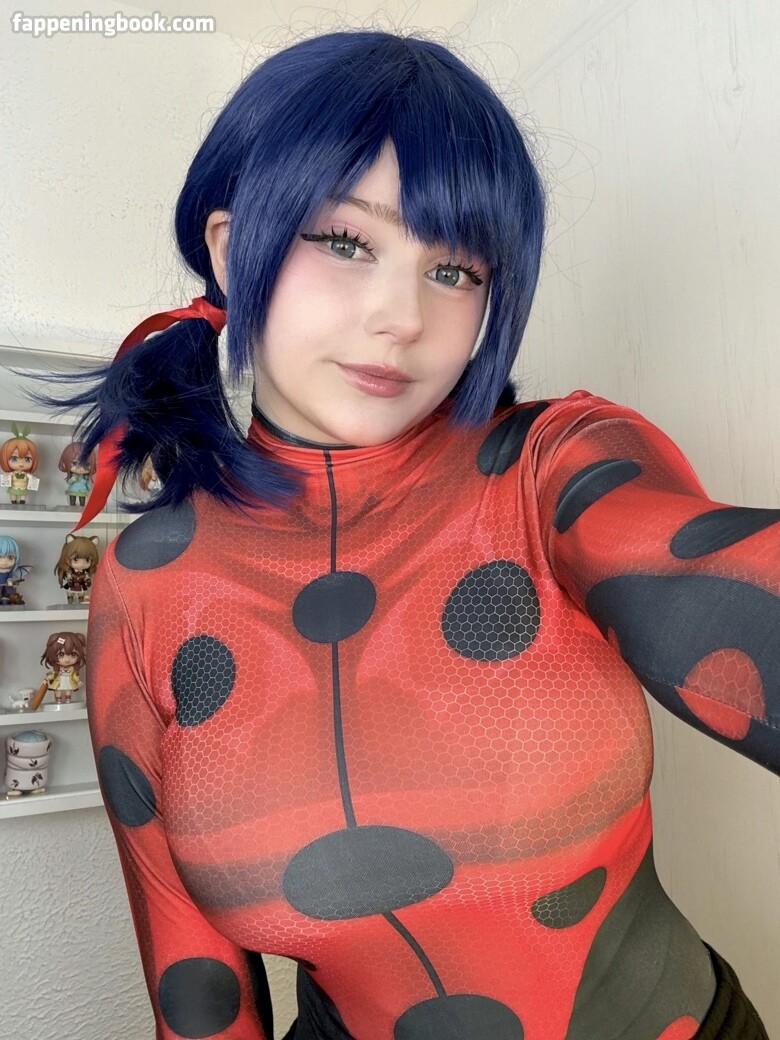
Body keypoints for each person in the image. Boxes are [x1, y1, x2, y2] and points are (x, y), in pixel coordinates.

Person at [36, 29, 777, 1040]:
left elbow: (716, 584)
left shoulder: (553, 467)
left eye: (457, 269)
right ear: (232, 248)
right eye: (347, 243)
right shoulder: (145, 584)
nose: (402, 317)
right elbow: (196, 988)